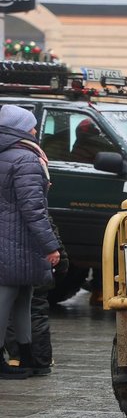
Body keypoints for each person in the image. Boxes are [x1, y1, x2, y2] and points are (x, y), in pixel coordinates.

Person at [0, 105, 61, 379]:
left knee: (23, 298)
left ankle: (26, 357)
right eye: (32, 126)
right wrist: (51, 246)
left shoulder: (7, 155)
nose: (36, 131)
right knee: (7, 300)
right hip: (17, 243)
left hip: (12, 242)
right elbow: (34, 209)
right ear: (21, 129)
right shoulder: (26, 160)